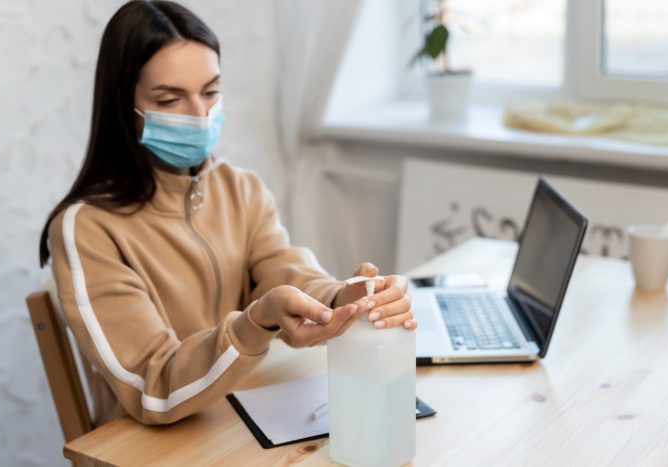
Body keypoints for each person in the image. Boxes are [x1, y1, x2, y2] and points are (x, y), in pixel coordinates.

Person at [38, 0, 416, 426]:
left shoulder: (241, 189)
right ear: (123, 105)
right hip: (150, 450)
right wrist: (255, 323)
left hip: (243, 418)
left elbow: (283, 271)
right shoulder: (87, 228)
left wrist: (342, 299)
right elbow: (154, 386)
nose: (200, 114)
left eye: (211, 91)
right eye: (170, 98)